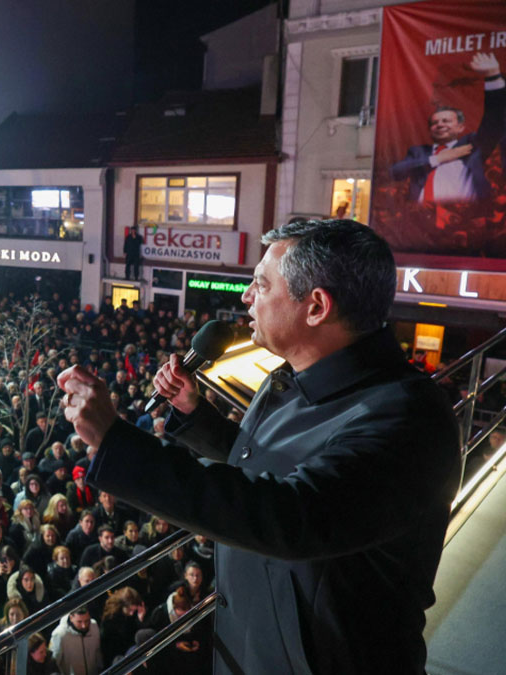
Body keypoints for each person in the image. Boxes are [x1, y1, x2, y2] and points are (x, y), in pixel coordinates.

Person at [58, 219, 461, 673]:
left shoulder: (406, 419)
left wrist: (116, 441)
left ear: (316, 307)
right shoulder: (293, 377)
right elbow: (271, 465)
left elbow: (295, 512)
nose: (246, 297)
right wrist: (195, 415)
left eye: (261, 284)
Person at [390, 52, 503, 205]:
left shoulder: (471, 146)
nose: (440, 125)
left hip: (463, 221)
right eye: (435, 123)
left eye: (446, 121)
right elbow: (396, 172)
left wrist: (493, 76)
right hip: (422, 220)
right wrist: (438, 158)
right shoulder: (419, 152)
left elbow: (494, 121)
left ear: (460, 127)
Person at [48, 608, 102, 675]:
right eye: (79, 622)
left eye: (87, 621)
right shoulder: (59, 634)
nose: (84, 626)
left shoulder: (94, 625)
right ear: (71, 618)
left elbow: (98, 652)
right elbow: (54, 663)